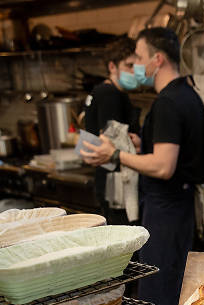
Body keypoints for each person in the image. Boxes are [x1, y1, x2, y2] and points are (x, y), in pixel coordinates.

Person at [81, 27, 204, 305]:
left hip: (167, 205)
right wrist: (139, 144)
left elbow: (163, 166)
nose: (136, 64)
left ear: (157, 59)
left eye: (138, 57)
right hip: (176, 202)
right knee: (172, 274)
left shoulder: (168, 102)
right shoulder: (187, 94)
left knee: (164, 275)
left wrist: (115, 156)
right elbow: (166, 152)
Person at [83, 36, 141, 225]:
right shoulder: (110, 95)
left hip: (108, 180)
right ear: (112, 67)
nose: (134, 71)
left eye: (136, 65)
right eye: (128, 66)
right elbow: (110, 142)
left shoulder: (102, 91)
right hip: (115, 185)